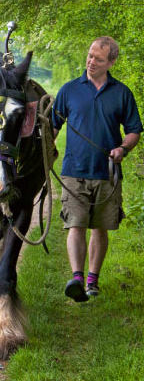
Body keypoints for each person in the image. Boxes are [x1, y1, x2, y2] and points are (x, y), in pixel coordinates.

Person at [52, 36, 142, 302]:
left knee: (100, 228)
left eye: (98, 59)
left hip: (107, 172)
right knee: (75, 224)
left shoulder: (122, 93)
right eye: (90, 55)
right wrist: (43, 151)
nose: (91, 62)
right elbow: (52, 129)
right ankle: (77, 278)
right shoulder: (69, 90)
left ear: (111, 62)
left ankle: (93, 280)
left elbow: (134, 130)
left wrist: (123, 149)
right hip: (73, 171)